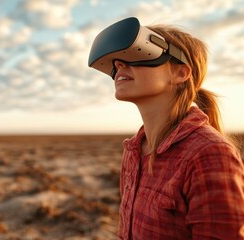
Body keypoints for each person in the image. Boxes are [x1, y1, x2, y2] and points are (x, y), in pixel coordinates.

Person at [88, 17, 244, 239]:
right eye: (116, 62)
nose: (119, 65)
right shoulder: (133, 151)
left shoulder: (208, 154)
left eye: (137, 54)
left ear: (181, 73)